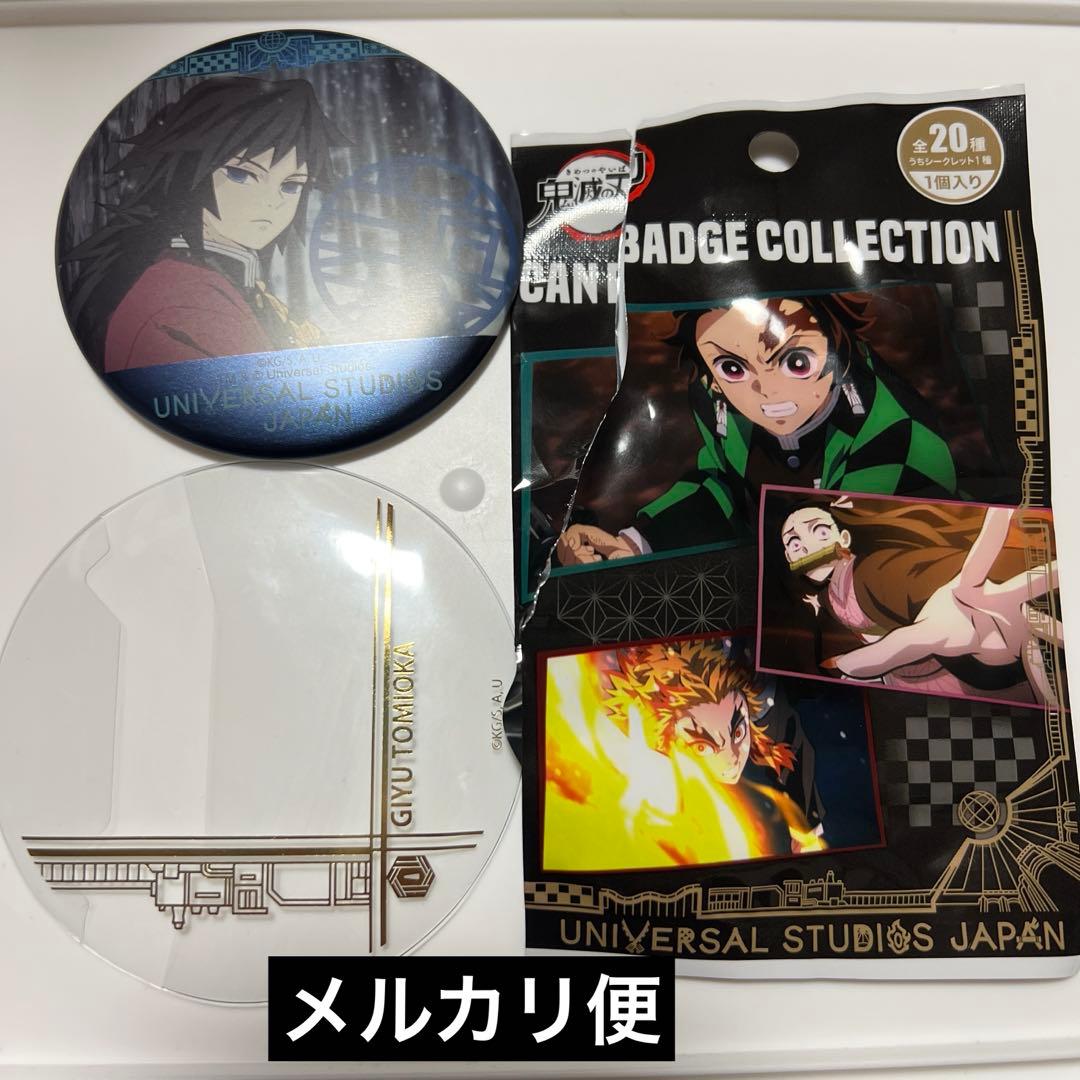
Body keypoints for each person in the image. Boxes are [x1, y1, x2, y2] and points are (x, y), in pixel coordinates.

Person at [556, 293, 959, 564]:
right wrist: (636, 543)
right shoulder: (716, 400)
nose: (767, 392)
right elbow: (723, 486)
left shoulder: (895, 433)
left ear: (836, 342)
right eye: (732, 368)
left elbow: (872, 555)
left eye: (796, 362)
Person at [62, 76, 347, 372]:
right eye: (240, 175)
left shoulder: (225, 281)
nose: (271, 201)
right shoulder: (184, 299)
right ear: (188, 173)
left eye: (290, 185)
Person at [777, 497, 1059, 702]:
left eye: (820, 532)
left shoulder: (874, 570)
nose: (808, 546)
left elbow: (916, 576)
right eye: (795, 543)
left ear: (845, 538)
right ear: (789, 559)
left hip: (964, 666)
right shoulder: (828, 598)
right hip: (913, 682)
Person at [603, 640, 826, 853]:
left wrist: (807, 835)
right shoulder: (631, 729)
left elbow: (790, 751)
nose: (732, 760)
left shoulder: (763, 704)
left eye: (737, 733)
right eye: (703, 747)